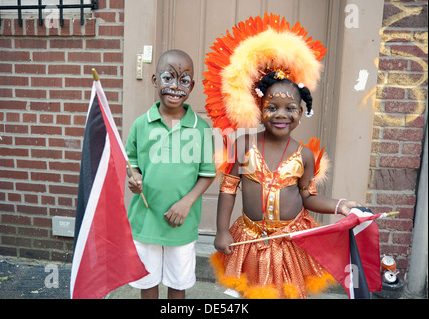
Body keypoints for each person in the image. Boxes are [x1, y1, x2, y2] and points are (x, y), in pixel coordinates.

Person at [203, 14, 362, 298]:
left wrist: (340, 206)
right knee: (249, 294)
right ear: (258, 107)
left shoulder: (305, 156)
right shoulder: (244, 146)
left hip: (290, 241)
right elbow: (228, 190)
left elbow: (308, 197)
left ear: (301, 114)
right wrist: (221, 230)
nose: (281, 115)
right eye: (272, 106)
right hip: (249, 240)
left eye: (290, 108)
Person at [125, 49, 216, 299]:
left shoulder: (200, 128)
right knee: (147, 282)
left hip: (181, 223)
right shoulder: (141, 124)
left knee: (178, 283)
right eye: (168, 78)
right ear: (155, 80)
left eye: (184, 80)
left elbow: (208, 173)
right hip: (146, 220)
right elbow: (131, 164)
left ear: (192, 85)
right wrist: (134, 180)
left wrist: (186, 203)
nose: (176, 87)